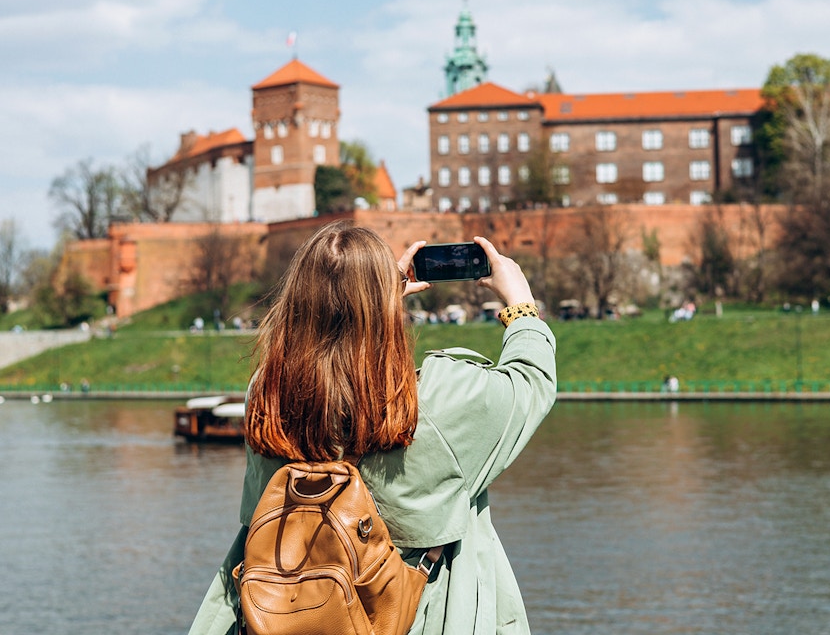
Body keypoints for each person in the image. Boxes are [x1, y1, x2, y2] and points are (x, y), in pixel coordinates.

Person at [188, 221, 557, 635]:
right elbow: (530, 381)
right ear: (385, 304)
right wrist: (520, 303)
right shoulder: (439, 400)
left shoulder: (268, 396)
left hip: (280, 615)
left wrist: (372, 295)